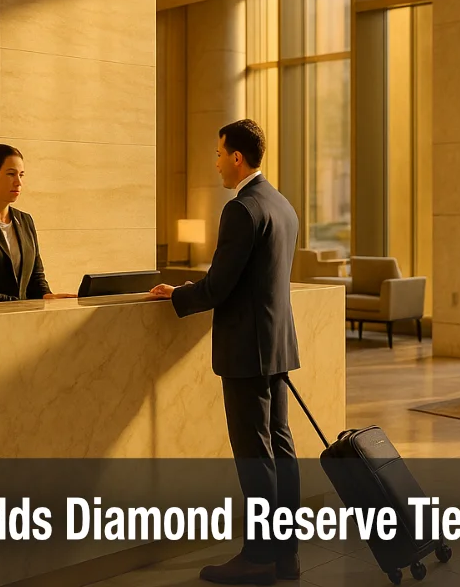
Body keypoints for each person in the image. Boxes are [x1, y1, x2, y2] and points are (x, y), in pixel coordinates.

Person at [149, 119, 301, 585]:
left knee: (254, 455)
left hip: (245, 352)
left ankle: (258, 557)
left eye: (219, 154)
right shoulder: (283, 204)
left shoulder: (242, 209)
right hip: (276, 346)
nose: (215, 163)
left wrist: (175, 295)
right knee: (281, 449)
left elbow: (218, 287)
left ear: (237, 157)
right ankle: (285, 555)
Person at [0, 144, 75, 303]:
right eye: (11, 174)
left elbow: (36, 278)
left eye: (21, 175)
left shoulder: (25, 221)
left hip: (22, 320)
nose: (18, 182)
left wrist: (47, 296)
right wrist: (20, 304)